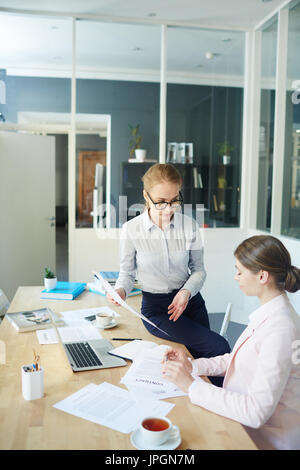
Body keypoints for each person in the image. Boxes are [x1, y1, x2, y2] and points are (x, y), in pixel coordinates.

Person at [161, 235, 300, 450]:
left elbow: (255, 413)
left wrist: (191, 386)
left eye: (240, 271)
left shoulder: (281, 329)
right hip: (242, 423)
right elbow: (238, 360)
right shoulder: (271, 313)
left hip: (264, 440)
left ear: (262, 276)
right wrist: (192, 366)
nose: (236, 277)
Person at [107, 163, 230, 386]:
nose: (169, 208)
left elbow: (199, 270)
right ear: (145, 195)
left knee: (208, 359)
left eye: (175, 200)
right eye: (161, 201)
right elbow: (126, 273)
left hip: (190, 302)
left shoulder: (190, 226)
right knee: (218, 346)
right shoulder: (132, 230)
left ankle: (217, 407)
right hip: (158, 310)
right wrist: (120, 291)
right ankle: (221, 404)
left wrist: (186, 292)